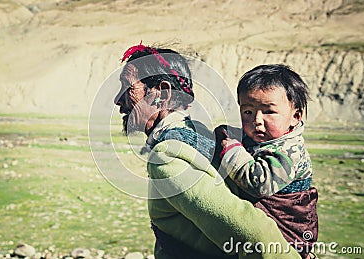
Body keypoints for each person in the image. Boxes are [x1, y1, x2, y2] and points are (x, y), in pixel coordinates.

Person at [114, 42, 302, 259]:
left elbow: (254, 234)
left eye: (128, 88)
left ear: (162, 93)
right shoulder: (202, 133)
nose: (118, 100)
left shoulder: (168, 157)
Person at [217, 64, 318, 259]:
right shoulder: (259, 139)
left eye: (269, 112)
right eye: (248, 111)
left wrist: (232, 151)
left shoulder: (290, 151)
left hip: (287, 231)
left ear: (296, 116)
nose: (257, 120)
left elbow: (258, 184)